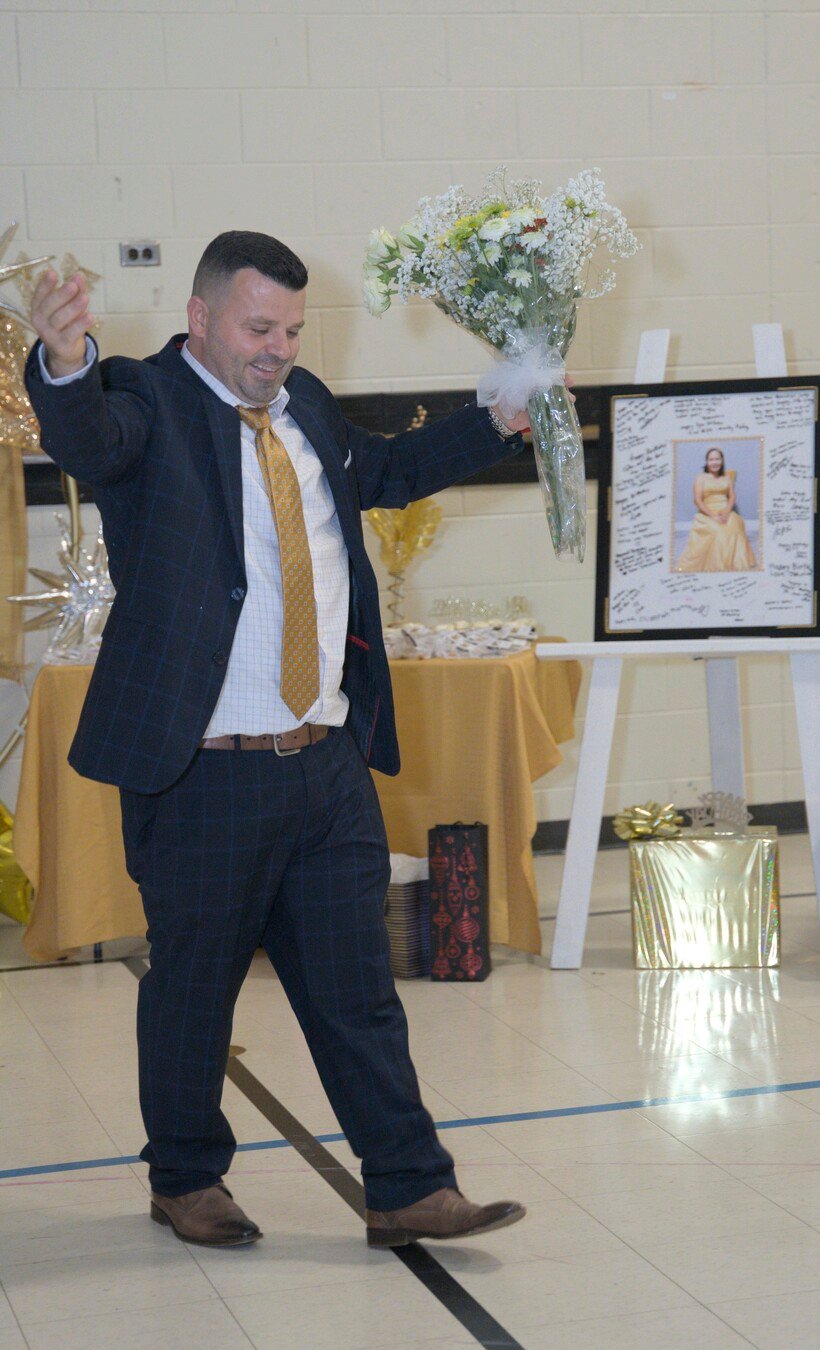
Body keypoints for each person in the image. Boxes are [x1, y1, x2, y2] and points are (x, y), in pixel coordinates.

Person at [26, 230, 529, 1250]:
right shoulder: (147, 399)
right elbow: (89, 441)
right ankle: (186, 1179)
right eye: (259, 328)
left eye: (293, 331)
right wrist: (65, 363)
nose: (278, 350)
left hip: (326, 762)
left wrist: (496, 419)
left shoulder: (306, 408)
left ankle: (409, 1185)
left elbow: (386, 470)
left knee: (358, 993)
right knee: (195, 993)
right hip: (204, 771)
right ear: (200, 317)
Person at [675, 446, 757, 573]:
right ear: (707, 462)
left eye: (717, 459)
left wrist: (727, 511)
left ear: (722, 461)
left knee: (735, 525)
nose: (714, 462)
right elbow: (697, 501)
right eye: (711, 459)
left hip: (725, 510)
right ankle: (718, 566)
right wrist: (713, 516)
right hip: (707, 512)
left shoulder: (726, 478)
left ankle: (734, 563)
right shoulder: (701, 478)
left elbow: (732, 496)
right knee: (718, 531)